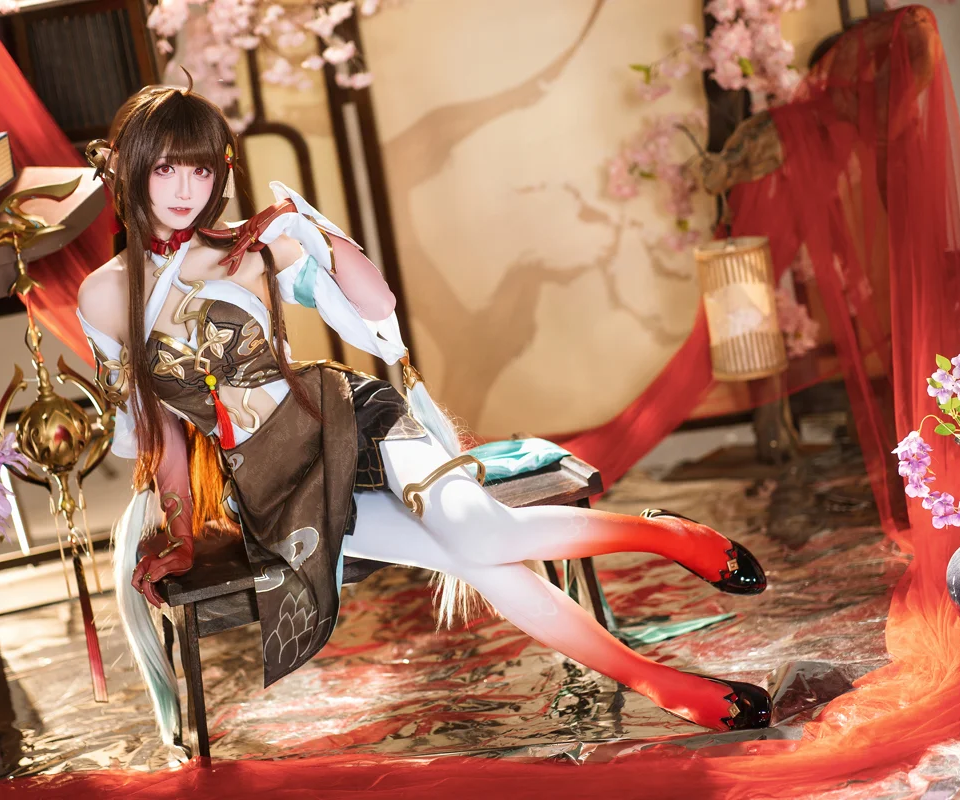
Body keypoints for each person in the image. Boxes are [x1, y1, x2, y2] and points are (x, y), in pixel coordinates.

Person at [76, 83, 774, 747]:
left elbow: (377, 305)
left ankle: (664, 539)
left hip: (349, 417)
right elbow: (161, 433)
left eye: (200, 170)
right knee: (475, 560)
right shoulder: (103, 298)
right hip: (276, 483)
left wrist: (305, 226)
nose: (185, 189)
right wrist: (180, 534)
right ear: (132, 169)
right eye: (166, 169)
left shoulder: (248, 247)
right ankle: (661, 681)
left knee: (480, 532)